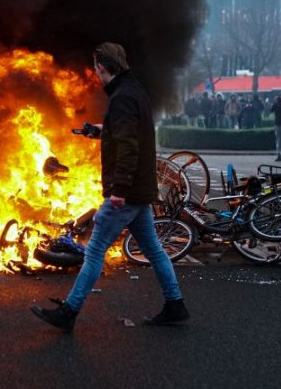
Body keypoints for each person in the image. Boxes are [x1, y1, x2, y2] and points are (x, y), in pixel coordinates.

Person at [31, 42, 187, 332]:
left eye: (95, 67)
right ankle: (175, 303)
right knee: (153, 249)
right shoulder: (134, 91)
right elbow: (126, 131)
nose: (95, 72)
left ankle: (69, 312)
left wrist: (119, 190)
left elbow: (129, 146)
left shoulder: (122, 98)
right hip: (139, 191)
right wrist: (98, 131)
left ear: (101, 67)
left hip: (127, 193)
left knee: (94, 251)